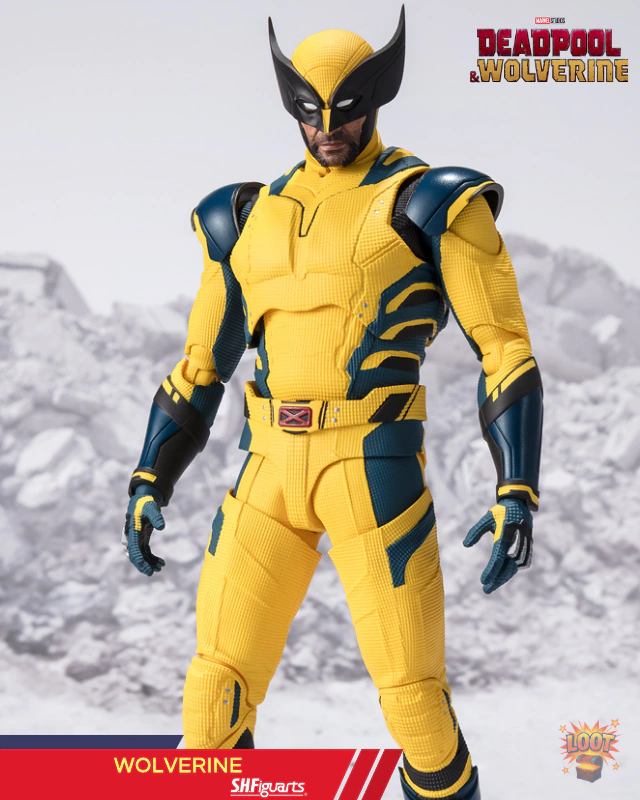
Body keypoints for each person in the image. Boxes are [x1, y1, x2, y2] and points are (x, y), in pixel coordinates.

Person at [121, 8, 543, 799]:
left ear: (376, 97)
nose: (327, 128)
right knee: (212, 700)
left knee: (415, 706)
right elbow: (200, 367)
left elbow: (505, 350)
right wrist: (151, 477)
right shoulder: (243, 217)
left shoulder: (430, 201)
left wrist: (517, 487)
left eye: (345, 109)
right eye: (310, 112)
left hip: (372, 470)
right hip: (266, 472)